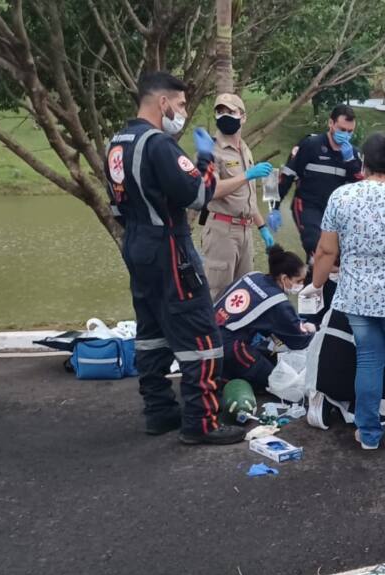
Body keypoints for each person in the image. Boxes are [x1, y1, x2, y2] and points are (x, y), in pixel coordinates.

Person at [103, 72, 244, 444]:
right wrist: (205, 159)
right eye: (180, 105)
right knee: (201, 332)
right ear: (162, 102)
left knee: (151, 331)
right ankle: (202, 422)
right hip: (169, 246)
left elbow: (115, 206)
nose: (182, 112)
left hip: (136, 244)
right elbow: (198, 193)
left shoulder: (116, 144)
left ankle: (160, 411)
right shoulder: (159, 144)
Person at [301, 132, 385, 450]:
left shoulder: (342, 198)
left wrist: (316, 284)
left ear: (363, 162)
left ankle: (368, 432)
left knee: (368, 360)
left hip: (356, 298)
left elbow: (325, 251)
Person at [200, 93, 275, 301]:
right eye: (220, 111)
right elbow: (211, 190)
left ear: (243, 116)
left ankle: (238, 335)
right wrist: (247, 175)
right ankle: (214, 335)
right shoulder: (210, 150)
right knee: (218, 294)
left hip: (245, 229)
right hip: (222, 231)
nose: (225, 116)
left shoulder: (245, 149)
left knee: (244, 295)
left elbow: (247, 198)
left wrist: (263, 229)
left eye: (230, 112)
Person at [214, 246, 315, 389]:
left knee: (264, 353)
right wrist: (311, 329)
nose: (301, 285)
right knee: (278, 382)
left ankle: (223, 374)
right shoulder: (277, 302)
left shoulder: (252, 276)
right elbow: (299, 341)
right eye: (299, 281)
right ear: (284, 278)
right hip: (232, 347)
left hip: (209, 332)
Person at [275, 105, 363, 268]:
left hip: (336, 212)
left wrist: (351, 161)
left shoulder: (354, 154)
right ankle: (312, 282)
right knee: (316, 246)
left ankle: (318, 284)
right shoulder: (310, 145)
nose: (346, 135)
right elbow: (287, 175)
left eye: (350, 131)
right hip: (308, 205)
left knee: (337, 259)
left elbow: (362, 188)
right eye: (342, 129)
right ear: (331, 123)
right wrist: (275, 206)